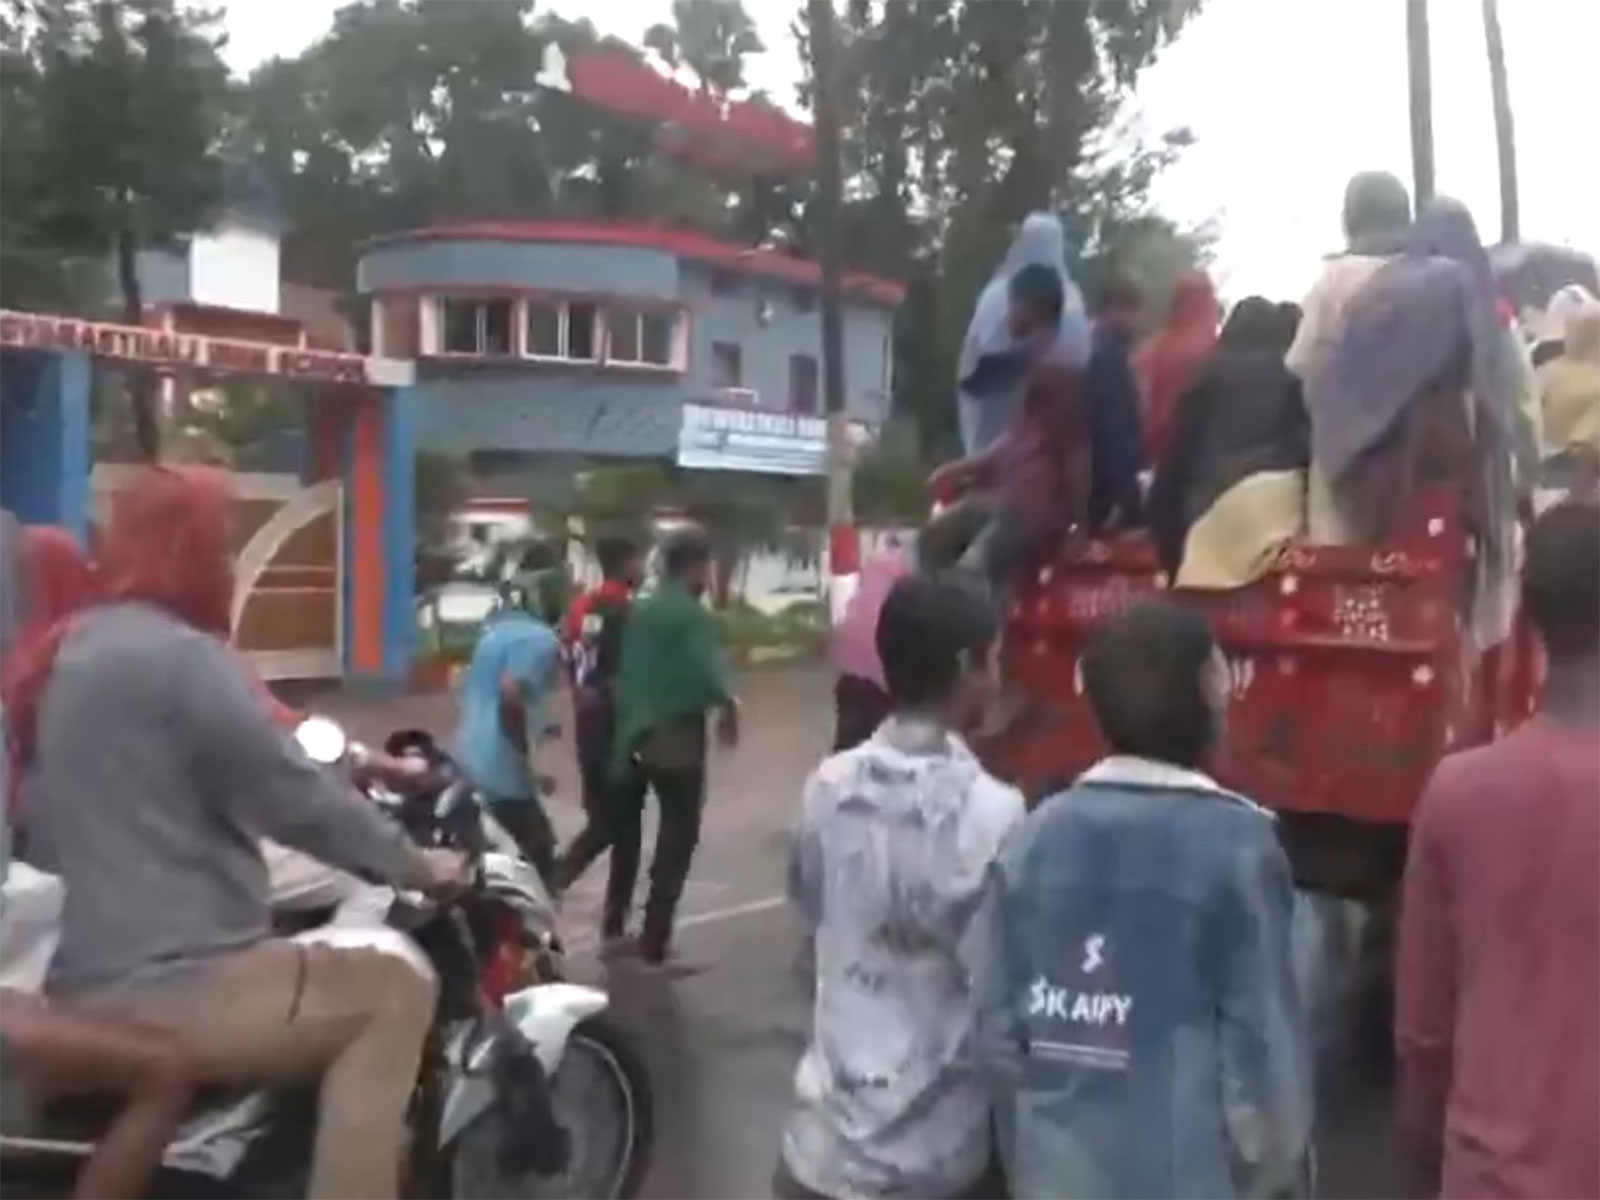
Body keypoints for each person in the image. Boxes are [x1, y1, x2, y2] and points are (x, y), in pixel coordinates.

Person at [9, 465, 467, 1200]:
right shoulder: (182, 659)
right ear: (188, 554)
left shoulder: (68, 653)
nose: (229, 568)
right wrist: (418, 866)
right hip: (174, 986)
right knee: (395, 987)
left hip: (81, 977)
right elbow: (298, 797)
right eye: (222, 549)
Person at [977, 601, 1312, 1199]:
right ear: (1210, 692)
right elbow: (1262, 1061)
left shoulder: (1033, 840)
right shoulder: (1239, 849)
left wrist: (1033, 1161)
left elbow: (999, 1038)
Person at [777, 573, 1024, 1200]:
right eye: (996, 660)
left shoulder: (828, 786)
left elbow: (812, 928)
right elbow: (1003, 996)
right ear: (969, 667)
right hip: (939, 1161)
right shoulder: (995, 813)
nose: (999, 677)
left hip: (821, 1153)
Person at [1395, 500, 1600, 1199]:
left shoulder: (1459, 791)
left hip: (1492, 1173)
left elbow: (1423, 1028)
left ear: (1528, 614)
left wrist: (1427, 1148)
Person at [1306, 197, 1522, 648]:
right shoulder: (1466, 288)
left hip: (1362, 482)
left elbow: (1326, 381)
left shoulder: (1376, 291)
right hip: (1445, 476)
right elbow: (1491, 393)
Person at [609, 528, 739, 965]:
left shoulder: (641, 610)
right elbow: (707, 672)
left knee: (631, 830)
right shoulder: (691, 615)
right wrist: (728, 706)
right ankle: (655, 939)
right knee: (677, 835)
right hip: (679, 738)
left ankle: (615, 919)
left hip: (636, 733)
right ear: (696, 567)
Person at [924, 266, 1092, 601]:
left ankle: (981, 644)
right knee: (931, 543)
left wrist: (1078, 524)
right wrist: (965, 467)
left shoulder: (1061, 371)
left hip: (1032, 507)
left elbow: (1077, 452)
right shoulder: (1032, 362)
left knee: (970, 574)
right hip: (1006, 497)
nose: (1007, 315)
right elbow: (1017, 441)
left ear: (1031, 308)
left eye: (1012, 305)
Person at [1146, 297, 1310, 587]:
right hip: (1275, 517)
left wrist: (1164, 530)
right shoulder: (1294, 376)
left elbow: (1178, 456)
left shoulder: (1207, 374)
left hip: (1207, 511)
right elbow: (1307, 449)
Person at [551, 537, 647, 930]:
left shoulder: (581, 607)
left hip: (586, 724)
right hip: (615, 727)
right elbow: (625, 675)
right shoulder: (624, 611)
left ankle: (609, 907)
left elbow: (568, 659)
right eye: (640, 559)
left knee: (605, 819)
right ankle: (565, 883)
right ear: (626, 563)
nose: (643, 568)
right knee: (622, 828)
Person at [453, 581, 563, 882]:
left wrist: (542, 725)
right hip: (502, 761)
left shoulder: (493, 636)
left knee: (489, 841)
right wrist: (523, 749)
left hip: (470, 750)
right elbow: (511, 693)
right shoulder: (541, 639)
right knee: (539, 848)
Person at [956, 211, 1092, 454]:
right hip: (1049, 439)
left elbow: (978, 362)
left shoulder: (999, 294)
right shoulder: (1074, 300)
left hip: (996, 431)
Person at [1285, 170, 1414, 385]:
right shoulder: (1443, 274)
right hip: (1434, 412)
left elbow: (1302, 362)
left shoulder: (1333, 283)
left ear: (1350, 219)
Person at [827, 535, 912, 751]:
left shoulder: (879, 564)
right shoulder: (919, 572)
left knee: (850, 743)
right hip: (882, 668)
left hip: (850, 663)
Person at [1135, 270, 1221, 461]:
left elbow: (1140, 403)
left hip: (1155, 453)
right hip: (1200, 458)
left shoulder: (1152, 348)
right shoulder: (1218, 350)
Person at [1086, 277, 1147, 533]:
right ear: (1111, 309)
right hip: (1102, 490)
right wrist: (1129, 501)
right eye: (1132, 311)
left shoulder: (1090, 344)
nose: (1137, 320)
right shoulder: (1107, 357)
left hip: (1087, 482)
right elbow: (1114, 432)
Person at [1538, 296, 1600, 495]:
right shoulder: (1595, 385)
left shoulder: (1546, 372)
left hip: (1540, 480)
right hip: (1580, 488)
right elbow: (1587, 451)